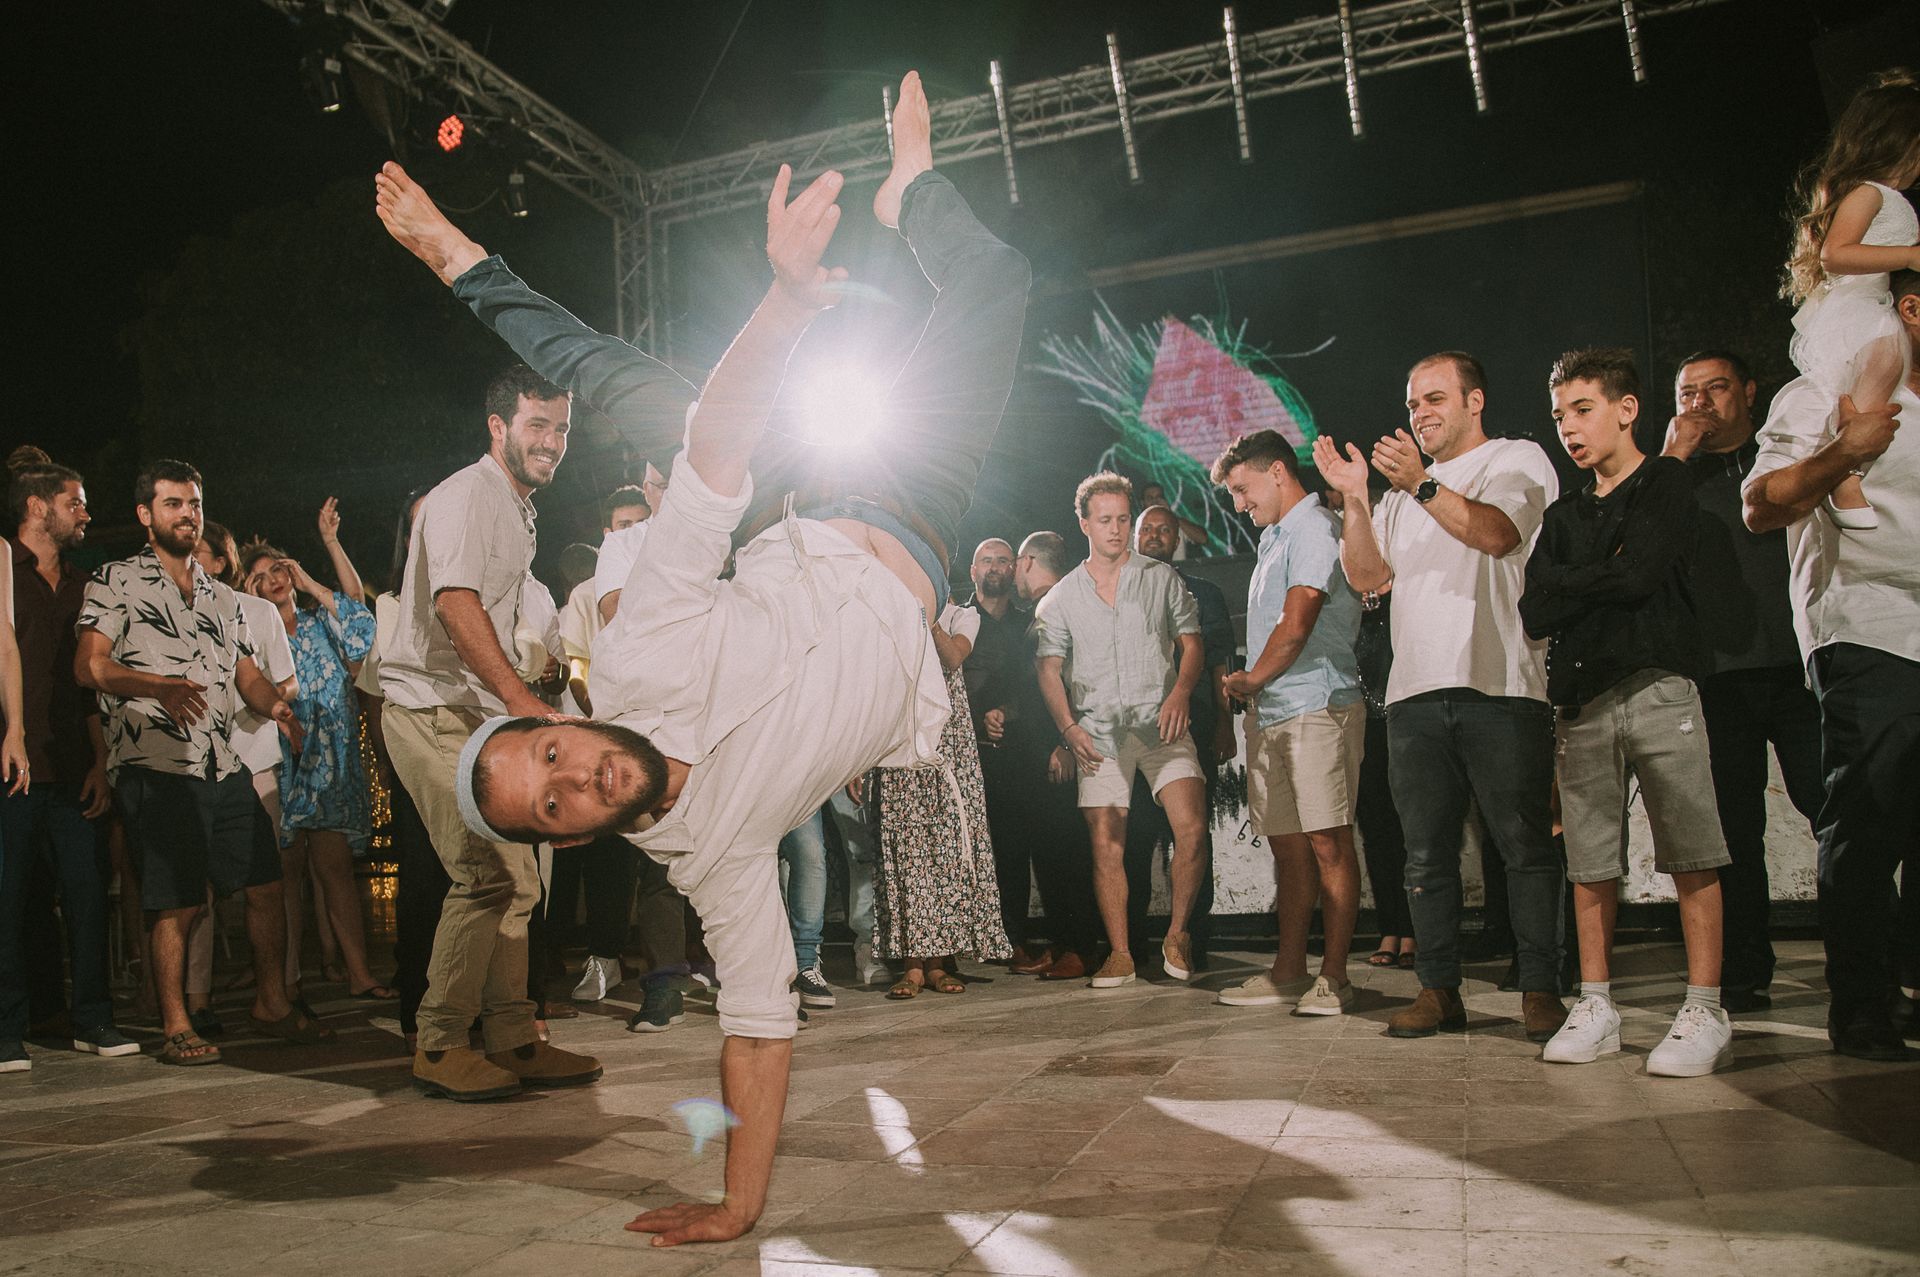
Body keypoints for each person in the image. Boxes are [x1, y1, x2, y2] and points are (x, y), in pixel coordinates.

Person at [377, 69, 1029, 1244]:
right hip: (924, 514)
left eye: (552, 752)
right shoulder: (714, 862)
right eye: (557, 804)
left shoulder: (640, 655)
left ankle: (461, 261)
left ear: (559, 720)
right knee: (1000, 282)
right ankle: (919, 199)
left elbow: (720, 451)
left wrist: (784, 303)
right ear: (573, 836)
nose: (579, 775)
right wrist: (739, 1202)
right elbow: (759, 1024)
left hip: (807, 496)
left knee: (639, 393)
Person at [1313, 351, 1567, 1043]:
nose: (1419, 413)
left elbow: (1499, 534)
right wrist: (1358, 498)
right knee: (1424, 855)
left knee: (1524, 849)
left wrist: (1421, 482)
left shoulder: (1517, 459)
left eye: (1434, 398)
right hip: (1415, 694)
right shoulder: (1398, 498)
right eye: (1412, 403)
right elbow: (1369, 578)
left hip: (1503, 686)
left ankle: (1540, 989)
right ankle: (1438, 989)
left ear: (1474, 401)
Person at [1519, 348, 1735, 1076]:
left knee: (1691, 850)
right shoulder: (1562, 514)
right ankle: (1596, 1003)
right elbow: (1534, 609)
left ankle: (1705, 1006)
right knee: (1589, 862)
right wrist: (1603, 572)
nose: (1568, 428)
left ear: (1627, 408)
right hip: (1581, 702)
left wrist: (1578, 581)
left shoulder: (1664, 483)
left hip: (1658, 685)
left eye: (1582, 410)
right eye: (1559, 416)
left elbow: (1641, 576)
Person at [74, 460, 325, 1065]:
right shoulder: (116, 580)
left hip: (221, 761)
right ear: (145, 514)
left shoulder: (222, 597)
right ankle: (176, 1024)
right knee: (178, 899)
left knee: (265, 884)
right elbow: (89, 665)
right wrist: (156, 686)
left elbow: (246, 675)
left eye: (194, 504)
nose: (187, 515)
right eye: (173, 504)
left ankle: (271, 1003)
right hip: (156, 764)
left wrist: (277, 708)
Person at [1744, 267, 1920, 1061]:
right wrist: (1844, 451)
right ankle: (1862, 1006)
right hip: (1864, 624)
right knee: (1870, 815)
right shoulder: (1822, 390)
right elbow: (1761, 504)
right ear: (1910, 307)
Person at [1661, 351, 1825, 1011]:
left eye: (1716, 387)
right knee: (1733, 830)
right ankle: (1743, 970)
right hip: (1717, 678)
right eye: (1688, 392)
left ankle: (1873, 963)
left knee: (1835, 812)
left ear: (1750, 392)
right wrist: (1673, 458)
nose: (1700, 401)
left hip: (1800, 670)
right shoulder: (1673, 478)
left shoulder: (1785, 454)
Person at [1212, 430, 1364, 1015]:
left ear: (1277, 471)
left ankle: (1336, 977)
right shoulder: (1274, 537)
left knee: (1328, 842)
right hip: (1272, 712)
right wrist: (1254, 689)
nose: (1239, 505)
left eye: (1242, 489)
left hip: (1319, 706)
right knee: (1288, 849)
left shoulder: (1315, 527)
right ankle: (1288, 972)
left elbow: (1298, 622)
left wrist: (1250, 679)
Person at [3, 454, 136, 1070]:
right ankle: (7, 1027)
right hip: (13, 765)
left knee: (86, 896)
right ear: (38, 507)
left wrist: (100, 758)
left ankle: (94, 1019)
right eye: (74, 502)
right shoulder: (4, 567)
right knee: (9, 899)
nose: (85, 513)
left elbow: (91, 685)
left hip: (74, 763)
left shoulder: (87, 584)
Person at [239, 511, 391, 1005]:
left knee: (335, 869)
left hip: (331, 761)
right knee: (283, 874)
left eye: (277, 569)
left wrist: (311, 574)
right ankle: (285, 981)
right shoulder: (253, 637)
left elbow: (361, 621)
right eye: (258, 577)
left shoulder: (319, 623)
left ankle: (359, 974)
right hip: (282, 759)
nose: (272, 580)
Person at [1779, 69, 1920, 529]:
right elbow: (1836, 254)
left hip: (1874, 301)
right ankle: (1846, 474)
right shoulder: (1868, 194)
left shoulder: (1886, 196)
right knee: (1880, 369)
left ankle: (1851, 472)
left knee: (1883, 376)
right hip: (1859, 304)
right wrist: (1910, 256)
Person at [189, 519, 301, 1038]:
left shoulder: (256, 612)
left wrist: (270, 700)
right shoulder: (174, 610)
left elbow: (285, 679)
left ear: (220, 561)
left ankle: (276, 994)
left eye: (199, 551)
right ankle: (196, 1000)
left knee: (264, 883)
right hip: (194, 763)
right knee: (197, 889)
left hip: (253, 758)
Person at [872, 599, 1009, 998]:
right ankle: (913, 966)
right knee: (908, 849)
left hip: (951, 749)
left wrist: (928, 617)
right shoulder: (891, 611)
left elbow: (953, 657)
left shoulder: (961, 615)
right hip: (901, 742)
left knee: (948, 851)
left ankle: (939, 963)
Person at [357, 487, 447, 1051]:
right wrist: (389, 762)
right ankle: (416, 1010)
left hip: (471, 754)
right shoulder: (389, 605)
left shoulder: (473, 589)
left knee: (477, 883)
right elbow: (373, 692)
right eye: (419, 526)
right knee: (422, 884)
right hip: (415, 755)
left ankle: (470, 1006)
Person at [1127, 504, 1231, 972]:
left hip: (1195, 725)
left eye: (1163, 530)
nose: (1154, 536)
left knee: (1191, 835)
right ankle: (1130, 948)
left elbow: (1219, 660)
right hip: (1132, 733)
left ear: (1176, 540)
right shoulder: (1116, 589)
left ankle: (1193, 943)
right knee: (1133, 843)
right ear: (1135, 537)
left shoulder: (1203, 593)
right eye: (1146, 529)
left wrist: (1225, 723)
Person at [563, 485, 650, 1007]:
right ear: (607, 534)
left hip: (667, 731)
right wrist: (603, 720)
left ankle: (684, 958)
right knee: (608, 853)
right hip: (608, 736)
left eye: (642, 523)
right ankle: (605, 957)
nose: (634, 533)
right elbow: (576, 665)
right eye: (624, 526)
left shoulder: (674, 580)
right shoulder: (585, 594)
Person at [1002, 531, 1102, 979]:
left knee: (1067, 854)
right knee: (1049, 855)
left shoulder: (1062, 603)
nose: (1012, 575)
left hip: (1060, 753)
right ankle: (1063, 944)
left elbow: (1077, 678)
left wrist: (1064, 743)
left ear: (1027, 562)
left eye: (1015, 565)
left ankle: (1079, 948)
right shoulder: (1049, 606)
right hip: (1039, 755)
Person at [961, 538, 1043, 968]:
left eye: (1002, 560)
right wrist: (976, 721)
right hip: (962, 756)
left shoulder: (1030, 623)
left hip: (1015, 755)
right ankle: (960, 941)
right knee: (962, 849)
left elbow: (1038, 688)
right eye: (986, 560)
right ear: (973, 570)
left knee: (1012, 849)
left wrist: (1007, 713)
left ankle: (1012, 938)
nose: (994, 567)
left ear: (1015, 568)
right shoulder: (955, 620)